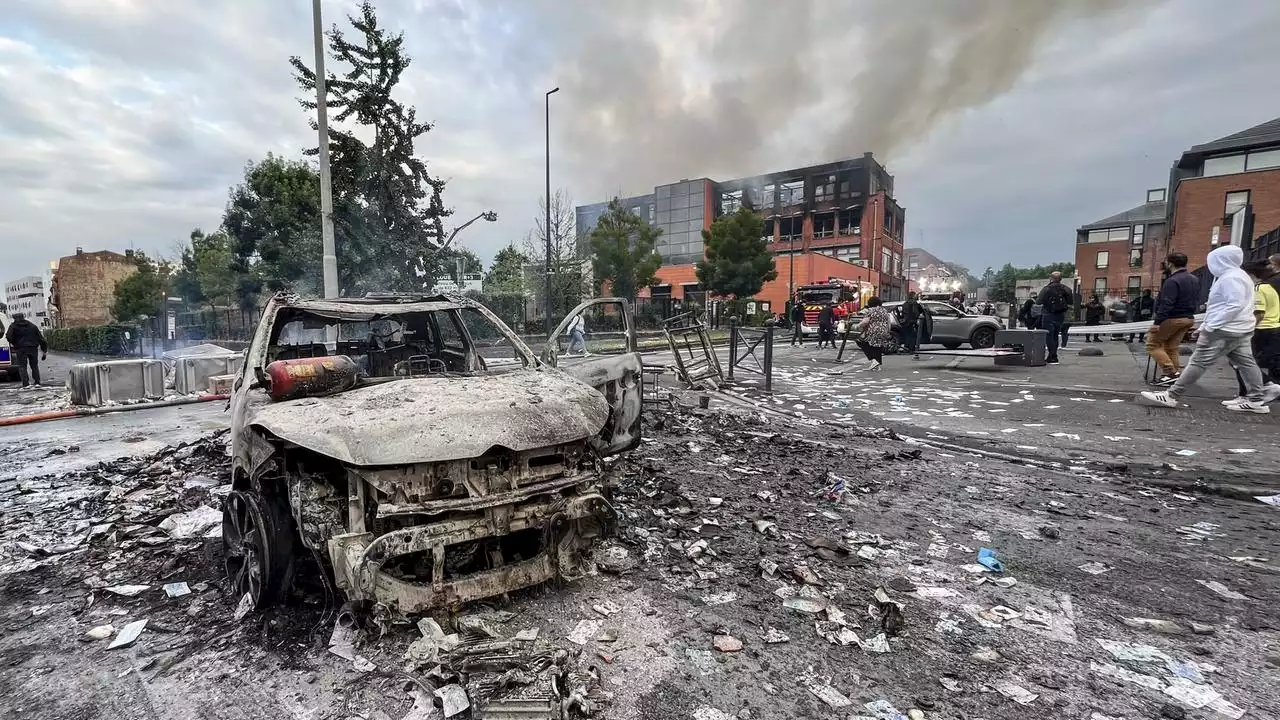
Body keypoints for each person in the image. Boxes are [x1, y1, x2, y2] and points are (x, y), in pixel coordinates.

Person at [1138, 245, 1269, 413]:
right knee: (1245, 362)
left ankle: (1172, 394)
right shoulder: (1239, 276)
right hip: (1239, 327)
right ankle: (1257, 398)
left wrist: (1210, 326)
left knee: (1198, 361)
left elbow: (1233, 305)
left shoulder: (1230, 278)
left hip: (1224, 328)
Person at [1224, 260, 1280, 405]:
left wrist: (1246, 329)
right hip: (1272, 327)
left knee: (1241, 361)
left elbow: (1259, 313)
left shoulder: (1258, 289)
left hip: (1261, 329)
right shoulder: (1269, 287)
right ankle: (1250, 392)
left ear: (1250, 274)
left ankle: (1260, 389)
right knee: (1244, 361)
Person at [1146, 252, 1199, 385]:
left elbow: (1167, 302)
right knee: (1172, 347)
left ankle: (1170, 372)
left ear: (1170, 263)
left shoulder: (1172, 281)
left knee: (1152, 344)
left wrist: (1157, 322)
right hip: (1188, 317)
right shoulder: (1194, 279)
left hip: (1173, 318)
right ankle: (1173, 376)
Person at [1035, 272, 1073, 365]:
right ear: (1060, 279)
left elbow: (1038, 301)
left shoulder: (1047, 289)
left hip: (1048, 314)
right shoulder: (1067, 289)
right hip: (1060, 315)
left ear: (1051, 278)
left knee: (1048, 335)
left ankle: (1052, 356)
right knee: (1055, 335)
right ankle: (1054, 355)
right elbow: (1070, 302)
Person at [5, 312, 48, 388]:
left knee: (22, 366)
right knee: (34, 366)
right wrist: (44, 350)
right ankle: (37, 382)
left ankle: (26, 384)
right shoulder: (32, 326)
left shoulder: (13, 326)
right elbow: (41, 339)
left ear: (15, 318)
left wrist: (14, 343)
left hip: (20, 349)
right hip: (33, 348)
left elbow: (9, 336)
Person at [856, 297, 893, 371]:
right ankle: (877, 366)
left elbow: (865, 322)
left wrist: (858, 326)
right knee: (878, 347)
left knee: (863, 342)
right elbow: (889, 322)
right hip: (883, 330)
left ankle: (873, 360)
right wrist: (887, 331)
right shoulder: (884, 311)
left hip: (873, 330)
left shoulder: (870, 310)